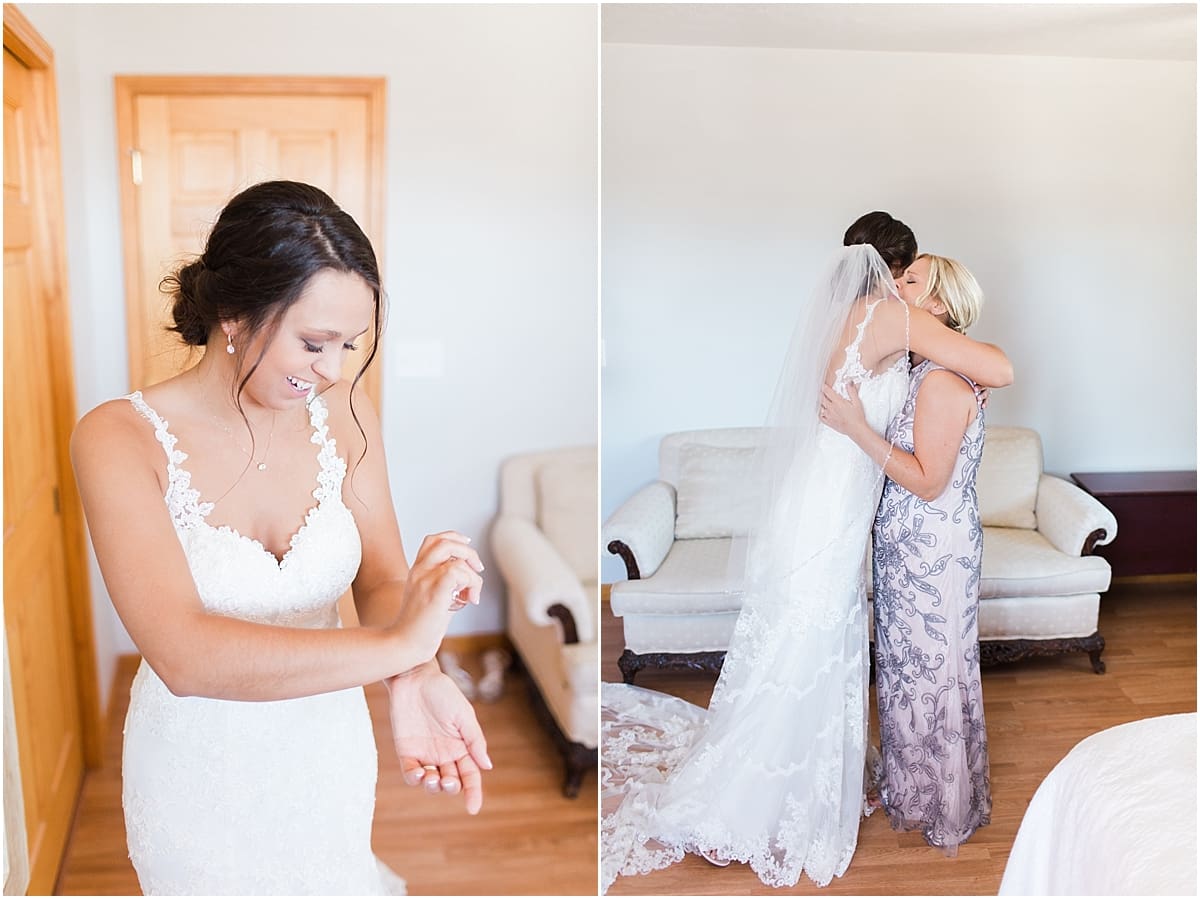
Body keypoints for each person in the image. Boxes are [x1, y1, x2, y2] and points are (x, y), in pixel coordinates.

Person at [71, 181, 491, 895]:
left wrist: (418, 676)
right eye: (314, 342)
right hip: (194, 774)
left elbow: (385, 580)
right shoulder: (119, 437)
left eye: (350, 344)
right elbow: (184, 653)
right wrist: (400, 649)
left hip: (324, 754)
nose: (333, 370)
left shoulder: (350, 419)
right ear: (235, 314)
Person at [600, 218, 1012, 891]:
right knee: (806, 644)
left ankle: (808, 779)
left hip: (824, 503)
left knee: (803, 643)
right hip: (827, 513)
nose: (908, 286)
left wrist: (952, 378)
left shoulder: (854, 315)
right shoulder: (887, 313)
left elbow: (927, 389)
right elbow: (996, 363)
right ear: (891, 269)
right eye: (908, 272)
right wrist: (967, 367)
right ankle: (752, 802)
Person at [819, 253, 992, 855]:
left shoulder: (943, 381)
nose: (896, 286)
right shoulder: (923, 372)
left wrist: (855, 427)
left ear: (938, 306)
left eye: (910, 281)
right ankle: (913, 790)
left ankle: (944, 805)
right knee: (905, 674)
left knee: (933, 676)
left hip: (932, 552)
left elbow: (926, 481)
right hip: (908, 549)